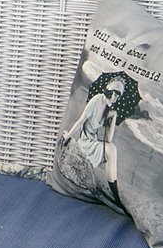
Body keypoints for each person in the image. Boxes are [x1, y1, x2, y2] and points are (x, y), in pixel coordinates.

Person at [55, 70, 139, 208]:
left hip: (94, 142)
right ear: (109, 91)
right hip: (85, 142)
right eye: (115, 93)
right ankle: (115, 196)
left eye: (119, 95)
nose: (116, 98)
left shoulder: (110, 109)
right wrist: (67, 136)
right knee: (111, 150)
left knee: (111, 149)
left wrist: (113, 118)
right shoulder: (96, 100)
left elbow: (108, 139)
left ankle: (114, 195)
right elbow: (81, 121)